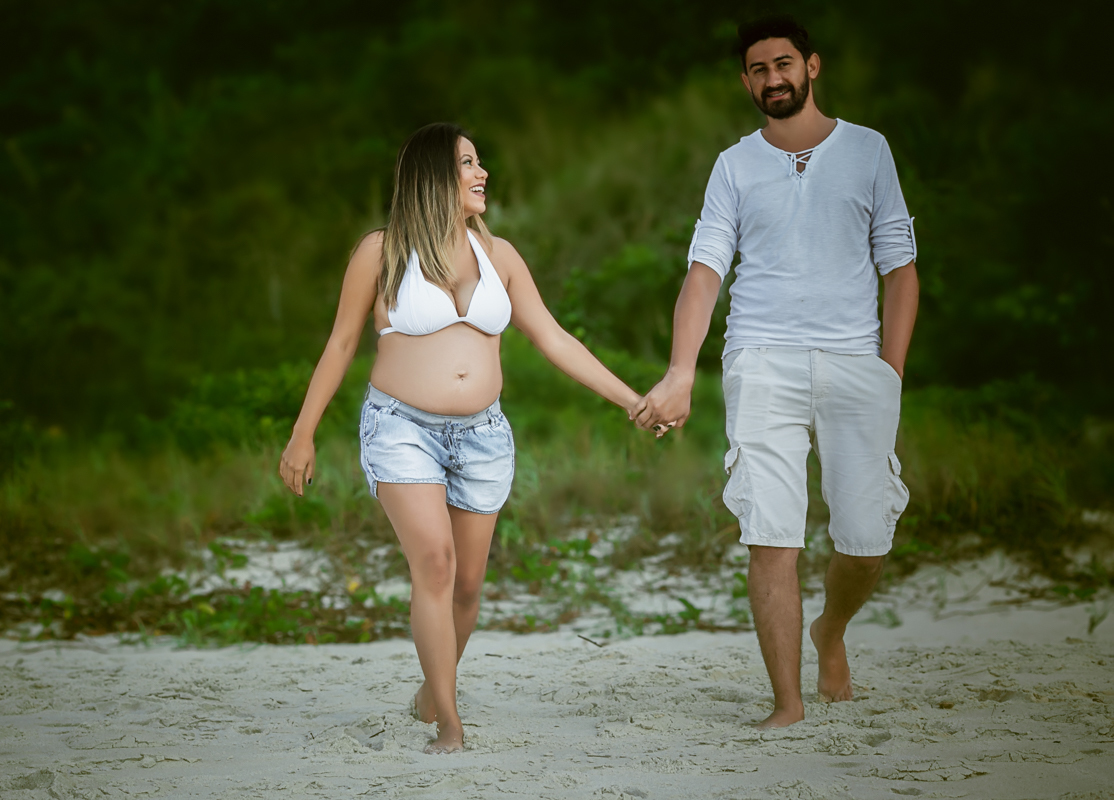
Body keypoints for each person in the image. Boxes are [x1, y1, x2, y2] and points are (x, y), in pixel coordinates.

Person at [278, 123, 647, 753]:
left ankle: (432, 689)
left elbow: (554, 338)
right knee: (437, 563)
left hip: (482, 435)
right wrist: (301, 435)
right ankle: (449, 723)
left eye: (480, 163)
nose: (482, 175)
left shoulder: (498, 254)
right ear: (431, 177)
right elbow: (341, 343)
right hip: (401, 428)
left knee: (469, 585)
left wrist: (633, 401)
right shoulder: (382, 251)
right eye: (467, 165)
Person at [634, 15, 919, 729]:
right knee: (772, 533)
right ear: (746, 81)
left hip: (858, 363)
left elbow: (901, 269)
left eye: (783, 64)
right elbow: (704, 273)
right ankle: (786, 704)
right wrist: (679, 370)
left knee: (866, 537)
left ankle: (831, 630)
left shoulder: (868, 151)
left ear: (812, 66)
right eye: (758, 70)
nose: (773, 79)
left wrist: (891, 371)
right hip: (759, 359)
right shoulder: (734, 164)